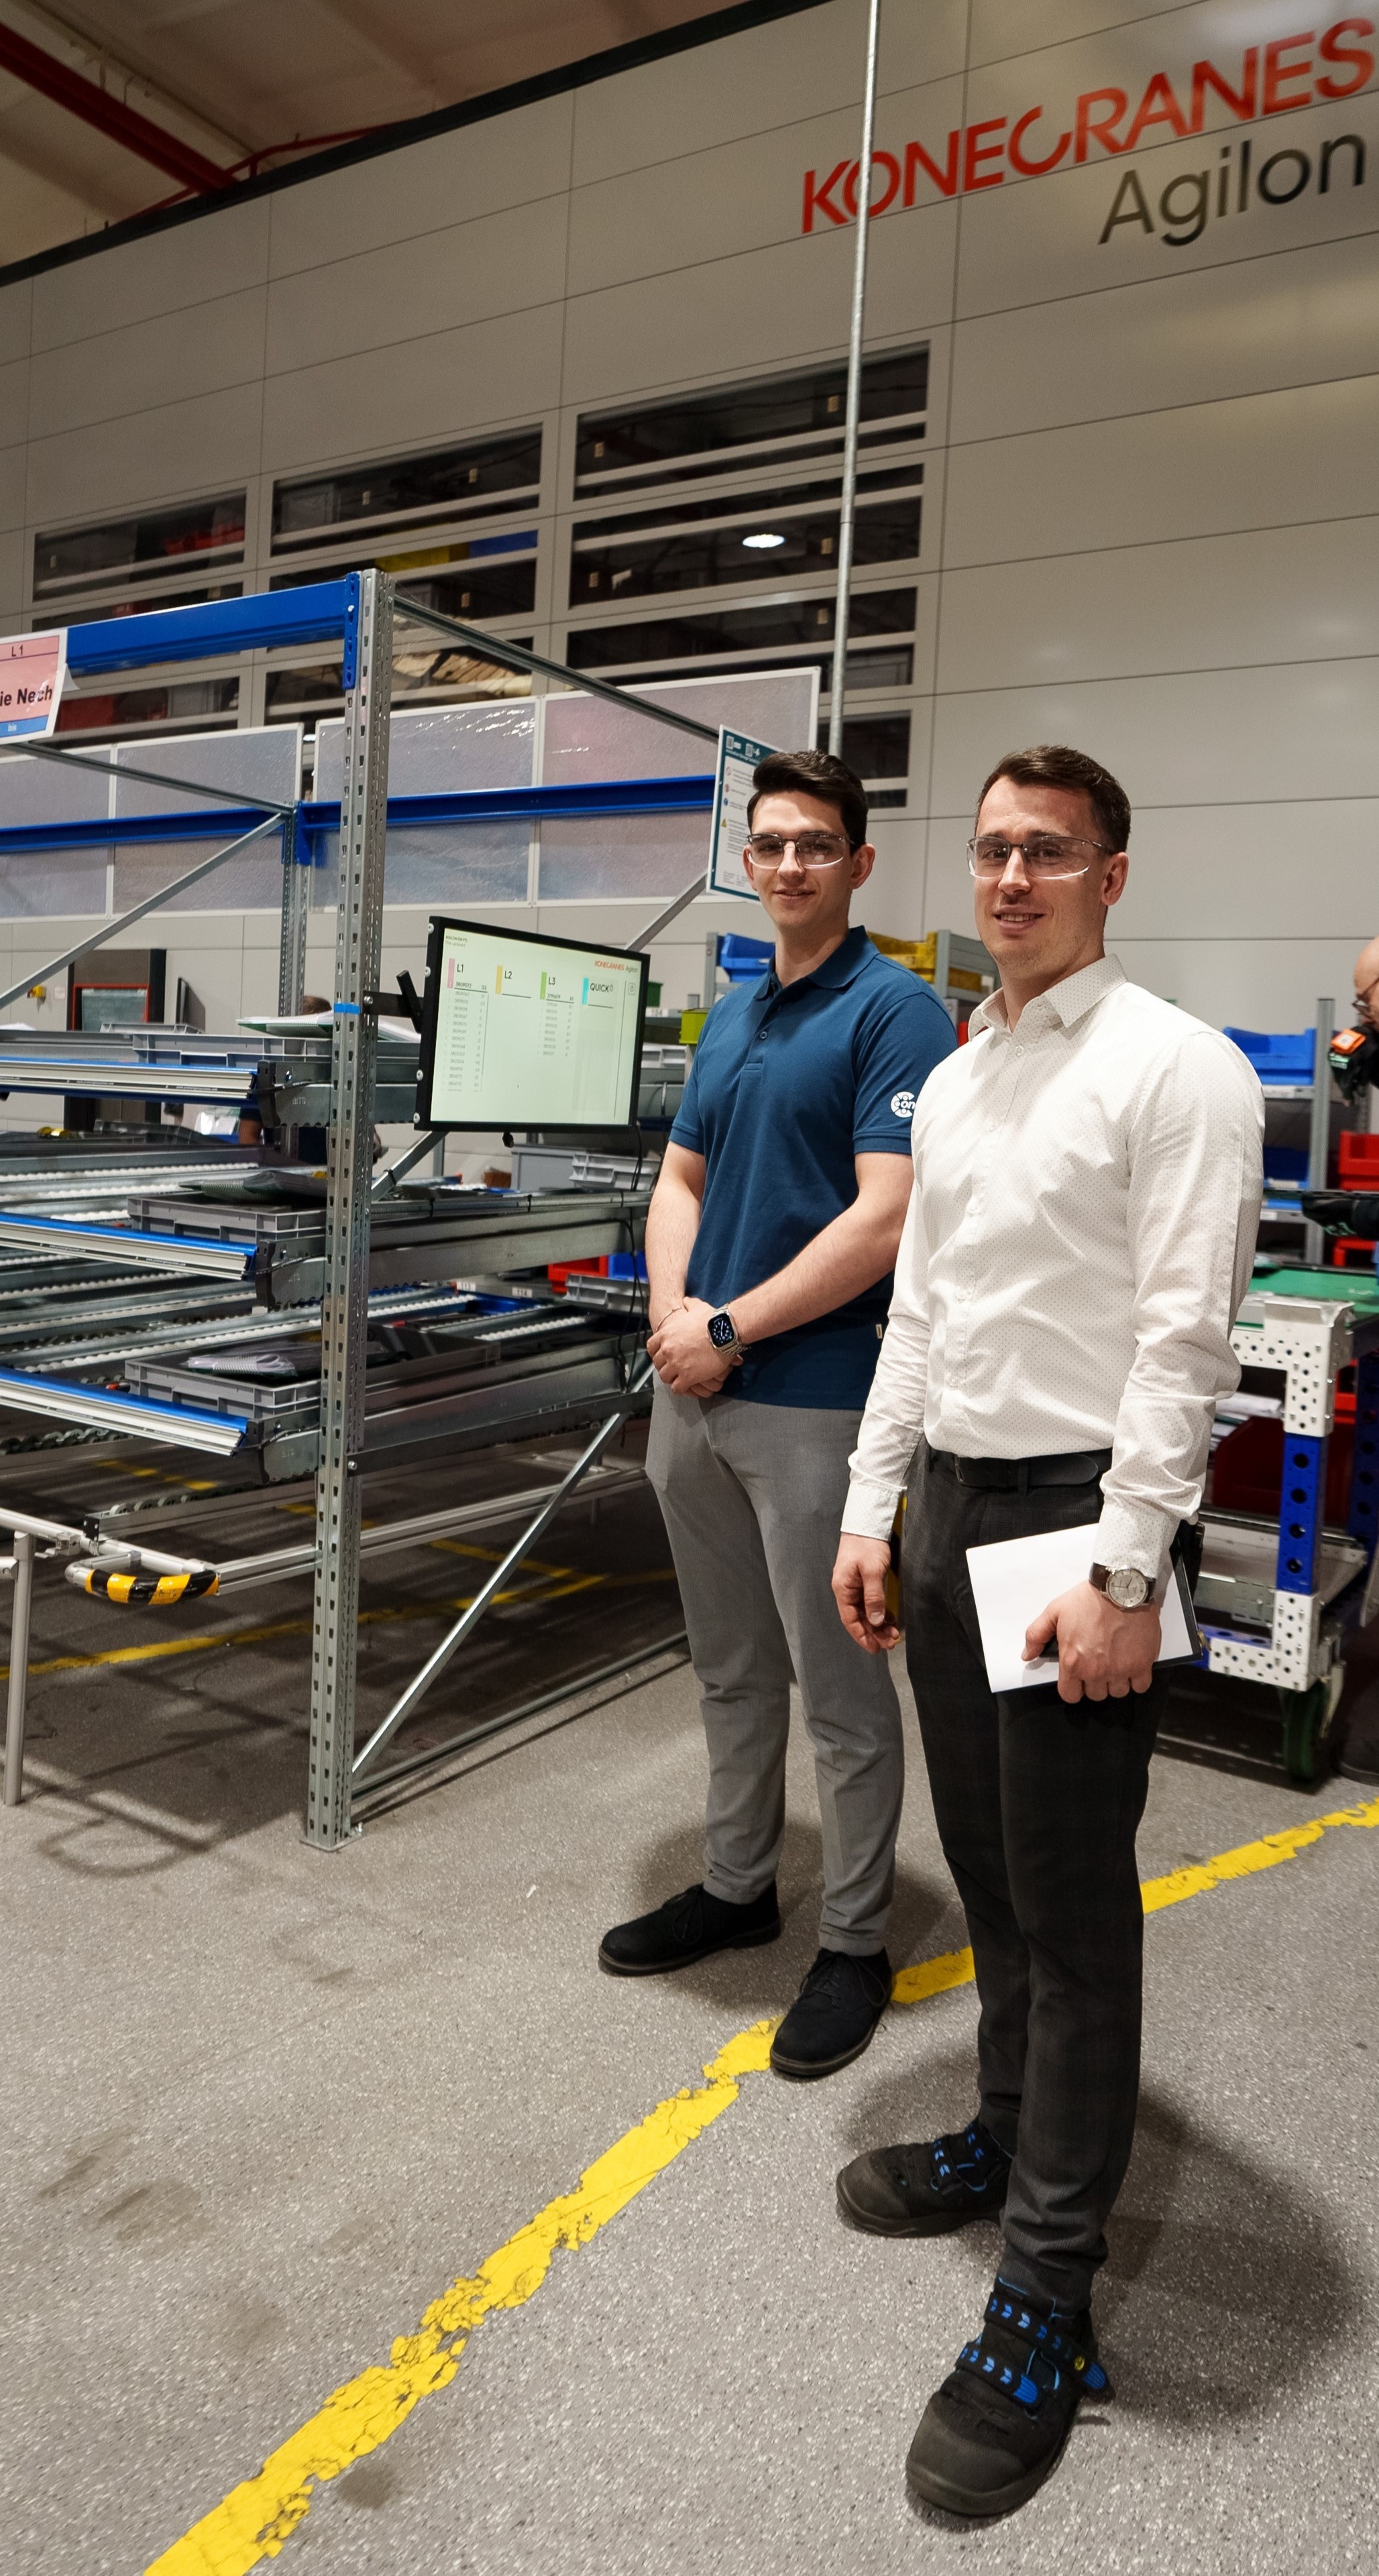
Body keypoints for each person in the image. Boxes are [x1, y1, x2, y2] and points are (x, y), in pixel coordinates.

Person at [830, 744, 1263, 2516]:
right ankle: (1011, 2133)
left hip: (1073, 1527)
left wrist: (1131, 1565)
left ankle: (1050, 2293)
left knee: (1074, 1912)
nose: (1010, 878)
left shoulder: (1180, 1070)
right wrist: (873, 1505)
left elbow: (1186, 1345)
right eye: (994, 848)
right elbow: (921, 1314)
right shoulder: (963, 1075)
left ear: (1114, 871)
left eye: (1047, 853)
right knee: (993, 1877)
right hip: (948, 1510)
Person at [598, 748, 956, 2078]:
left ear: (857, 863)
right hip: (694, 1395)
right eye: (768, 844)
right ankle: (738, 1881)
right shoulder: (734, 1016)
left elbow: (886, 1214)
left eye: (815, 842)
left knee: (841, 1692)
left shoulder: (895, 1012)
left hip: (813, 1405)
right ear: (744, 865)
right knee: (730, 1669)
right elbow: (677, 1180)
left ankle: (855, 1939)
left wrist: (732, 1326)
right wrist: (673, 1314)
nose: (789, 862)